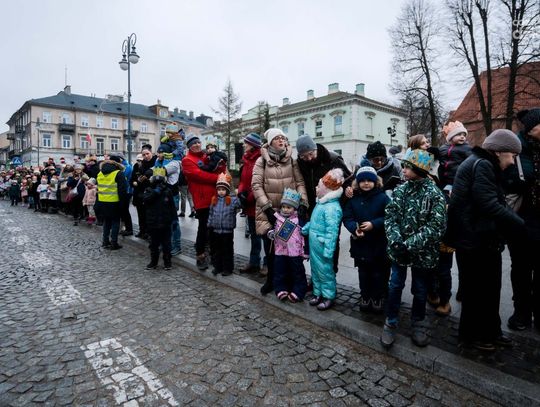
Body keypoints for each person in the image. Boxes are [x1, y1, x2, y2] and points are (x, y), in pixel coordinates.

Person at [447, 129, 525, 351]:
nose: (513, 161)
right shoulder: (482, 165)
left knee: (490, 289)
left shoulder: (483, 163)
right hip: (473, 241)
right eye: (512, 156)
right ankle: (474, 337)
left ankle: (491, 332)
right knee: (477, 292)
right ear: (499, 152)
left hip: (482, 239)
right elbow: (489, 204)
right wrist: (520, 225)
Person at [381, 149, 446, 349]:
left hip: (422, 253)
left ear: (419, 169)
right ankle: (391, 320)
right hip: (399, 251)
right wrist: (396, 240)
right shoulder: (401, 190)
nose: (403, 170)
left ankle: (418, 322)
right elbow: (390, 216)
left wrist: (410, 243)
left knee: (420, 289)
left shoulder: (434, 194)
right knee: (395, 285)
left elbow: (436, 226)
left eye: (407, 167)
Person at [252, 128, 308, 295]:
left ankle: (289, 282)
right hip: (268, 212)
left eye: (283, 138)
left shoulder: (292, 160)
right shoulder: (261, 161)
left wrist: (303, 202)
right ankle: (271, 280)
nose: (281, 140)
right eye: (277, 138)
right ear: (270, 142)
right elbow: (256, 185)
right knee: (271, 249)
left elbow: (299, 182)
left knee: (290, 248)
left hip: (289, 212)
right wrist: (267, 208)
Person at [504, 108, 540, 332]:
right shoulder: (515, 150)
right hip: (522, 219)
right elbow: (508, 181)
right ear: (531, 129)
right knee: (521, 269)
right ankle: (522, 313)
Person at [296, 134, 352, 273]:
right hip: (313, 207)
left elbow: (348, 180)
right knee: (315, 240)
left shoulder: (332, 159)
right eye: (304, 156)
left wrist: (341, 200)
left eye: (310, 154)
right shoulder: (300, 163)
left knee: (331, 240)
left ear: (315, 148)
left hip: (332, 208)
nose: (309, 158)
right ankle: (318, 275)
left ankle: (331, 273)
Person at [343, 166, 390, 313]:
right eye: (362, 180)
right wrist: (354, 228)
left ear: (376, 182)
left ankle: (377, 297)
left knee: (378, 273)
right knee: (363, 273)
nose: (366, 183)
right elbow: (347, 217)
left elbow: (389, 216)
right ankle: (365, 296)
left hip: (378, 244)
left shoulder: (383, 198)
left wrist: (374, 224)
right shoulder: (353, 199)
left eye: (369, 180)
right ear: (358, 182)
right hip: (360, 244)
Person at [302, 168, 344, 310]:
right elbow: (315, 222)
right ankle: (317, 293)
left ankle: (328, 296)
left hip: (322, 245)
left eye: (319, 186)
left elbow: (332, 232)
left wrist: (328, 250)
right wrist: (306, 228)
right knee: (315, 270)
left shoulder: (332, 208)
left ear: (327, 189)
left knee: (325, 272)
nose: (316, 188)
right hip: (315, 245)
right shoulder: (321, 204)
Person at [182, 134, 220, 270]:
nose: (197, 145)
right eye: (194, 143)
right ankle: (200, 255)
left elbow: (218, 166)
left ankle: (212, 253)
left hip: (214, 198)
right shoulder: (187, 160)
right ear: (189, 146)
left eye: (198, 142)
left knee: (213, 228)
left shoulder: (206, 156)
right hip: (201, 199)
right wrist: (219, 178)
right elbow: (200, 175)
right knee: (203, 228)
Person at [267, 188, 308, 302]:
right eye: (283, 207)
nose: (285, 209)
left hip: (295, 252)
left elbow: (304, 235)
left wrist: (306, 251)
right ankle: (281, 288)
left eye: (289, 207)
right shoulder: (277, 218)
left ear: (294, 208)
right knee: (280, 271)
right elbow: (274, 230)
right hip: (280, 251)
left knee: (297, 272)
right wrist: (271, 233)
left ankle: (299, 291)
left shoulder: (298, 220)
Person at [237, 132, 263, 274]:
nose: (243, 145)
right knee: (254, 235)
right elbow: (243, 180)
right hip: (249, 203)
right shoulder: (246, 159)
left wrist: (249, 196)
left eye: (246, 143)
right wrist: (241, 192)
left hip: (259, 203)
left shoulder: (261, 159)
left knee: (265, 236)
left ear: (252, 145)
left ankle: (267, 264)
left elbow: (261, 182)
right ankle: (254, 263)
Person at [207, 173, 242, 276]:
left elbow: (239, 205)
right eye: (219, 189)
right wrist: (209, 224)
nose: (221, 191)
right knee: (217, 250)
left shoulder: (232, 200)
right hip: (216, 230)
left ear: (227, 190)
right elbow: (211, 213)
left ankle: (228, 268)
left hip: (227, 231)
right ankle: (218, 267)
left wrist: (237, 195)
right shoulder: (214, 200)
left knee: (227, 250)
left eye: (223, 189)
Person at [143, 173, 177, 270]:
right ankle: (154, 262)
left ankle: (167, 262)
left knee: (166, 244)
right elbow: (146, 200)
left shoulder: (167, 191)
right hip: (153, 222)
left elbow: (172, 207)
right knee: (154, 244)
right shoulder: (149, 190)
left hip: (165, 222)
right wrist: (156, 191)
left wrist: (175, 219)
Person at [153, 143, 182, 256]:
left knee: (173, 222)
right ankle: (166, 243)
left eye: (160, 152)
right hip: (161, 196)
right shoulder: (158, 161)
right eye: (158, 152)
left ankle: (177, 245)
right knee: (163, 221)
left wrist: (151, 174)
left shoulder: (174, 163)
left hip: (172, 196)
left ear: (166, 154)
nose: (158, 154)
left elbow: (159, 173)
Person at [95, 154, 128, 250]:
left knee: (106, 222)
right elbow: (122, 190)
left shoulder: (100, 173)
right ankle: (114, 243)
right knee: (115, 222)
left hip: (102, 201)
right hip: (114, 202)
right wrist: (123, 204)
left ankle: (105, 241)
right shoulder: (118, 173)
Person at [438, 121, 472, 193]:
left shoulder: (466, 148)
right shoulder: (443, 148)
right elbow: (440, 158)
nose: (462, 137)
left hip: (460, 178)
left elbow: (471, 161)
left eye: (464, 135)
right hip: (446, 178)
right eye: (459, 134)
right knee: (445, 193)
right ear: (451, 136)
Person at [132, 148, 156, 239]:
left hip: (151, 193)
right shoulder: (139, 166)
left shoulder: (156, 163)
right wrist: (136, 182)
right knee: (141, 214)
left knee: (150, 215)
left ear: (151, 153)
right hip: (140, 193)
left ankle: (150, 233)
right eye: (144, 155)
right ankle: (142, 231)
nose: (146, 156)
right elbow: (134, 179)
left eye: (147, 154)